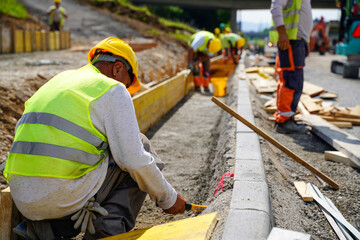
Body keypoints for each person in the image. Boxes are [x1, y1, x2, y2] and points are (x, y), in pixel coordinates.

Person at [4, 37, 186, 239]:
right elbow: (134, 160)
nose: (125, 90)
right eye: (126, 84)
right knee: (139, 147)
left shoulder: (60, 80)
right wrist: (168, 198)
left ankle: (49, 230)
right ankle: (106, 233)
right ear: (117, 69)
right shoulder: (111, 89)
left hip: (22, 199)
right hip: (60, 198)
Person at [269, 0, 312, 133]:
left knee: (295, 82)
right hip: (290, 42)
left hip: (297, 42)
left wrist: (305, 40)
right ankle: (284, 121)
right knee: (291, 82)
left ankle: (288, 118)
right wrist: (282, 33)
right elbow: (275, 7)